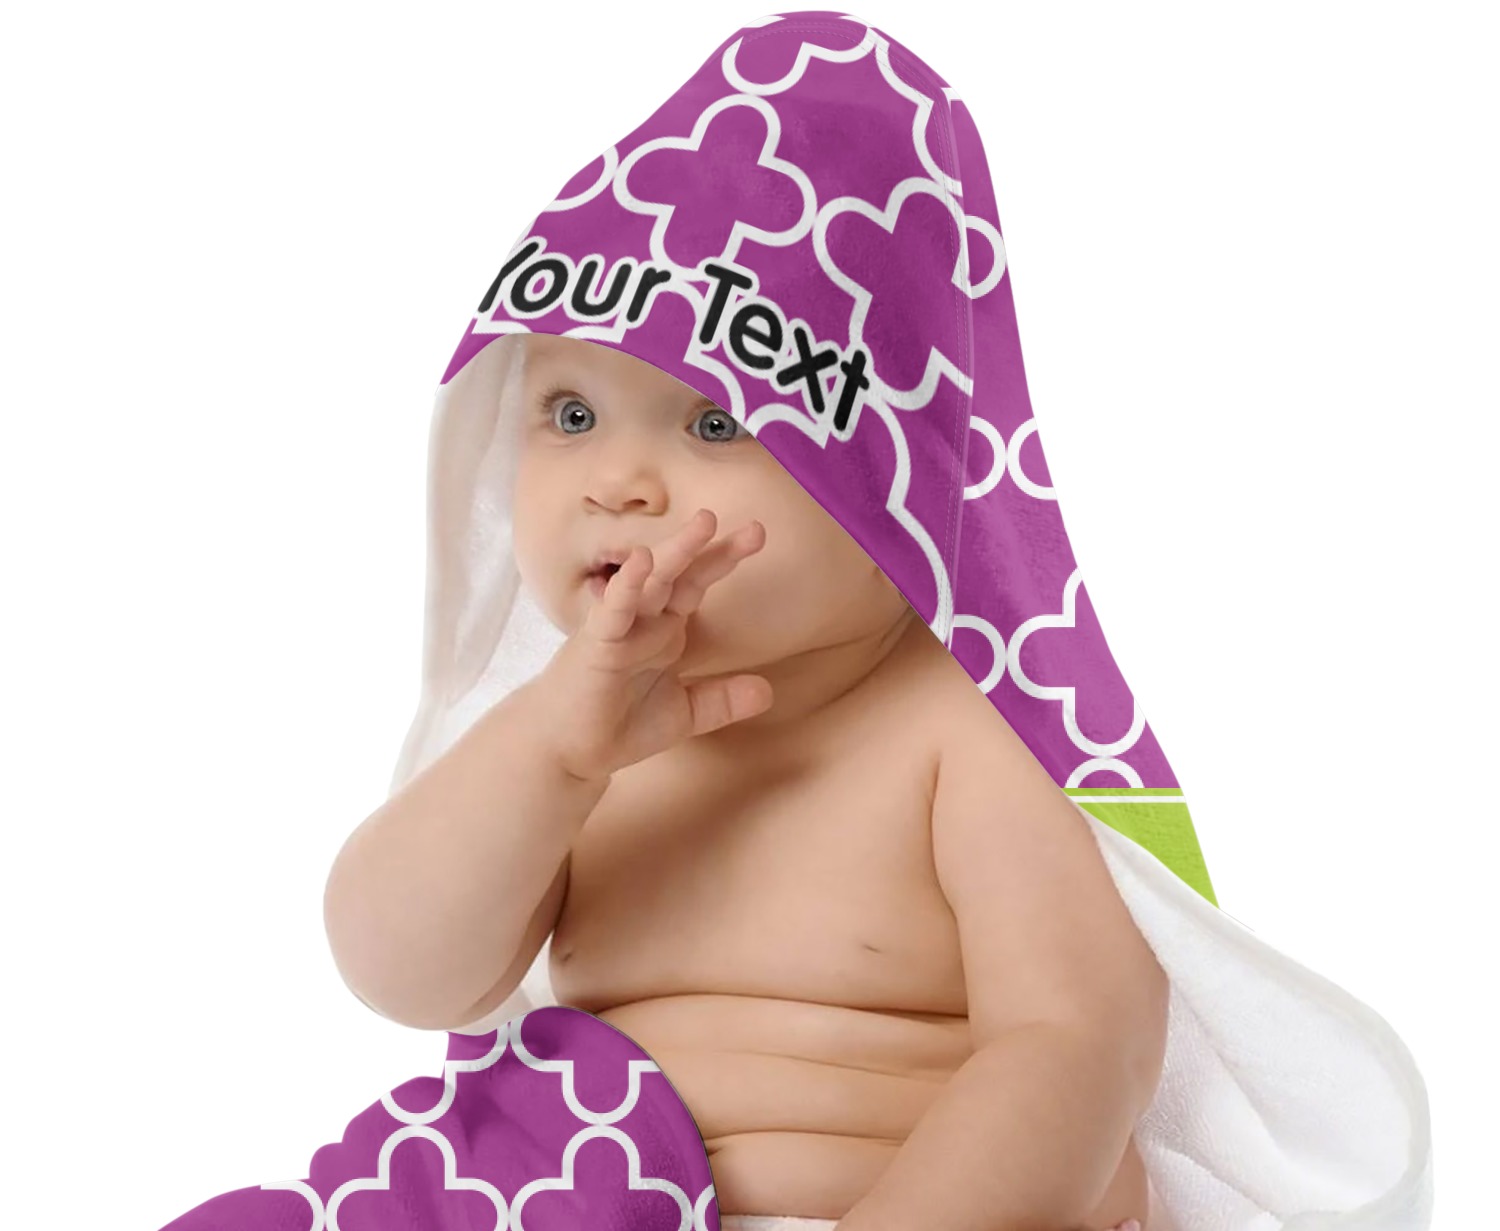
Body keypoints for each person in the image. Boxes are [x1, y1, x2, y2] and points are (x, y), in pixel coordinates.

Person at [324, 331, 1165, 1231]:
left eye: (716, 423)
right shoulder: (571, 741)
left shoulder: (973, 728)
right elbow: (404, 977)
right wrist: (549, 754)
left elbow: (1077, 1044)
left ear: (899, 474)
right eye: (572, 416)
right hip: (571, 1193)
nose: (617, 483)